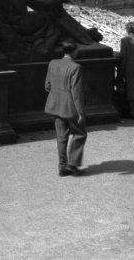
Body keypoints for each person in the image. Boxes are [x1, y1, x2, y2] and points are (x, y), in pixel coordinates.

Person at [44, 41, 87, 176]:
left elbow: (47, 86)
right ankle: (73, 164)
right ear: (74, 52)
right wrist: (81, 112)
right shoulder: (76, 67)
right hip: (70, 107)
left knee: (61, 136)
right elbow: (76, 92)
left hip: (55, 105)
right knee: (79, 133)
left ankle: (62, 166)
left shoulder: (52, 63)